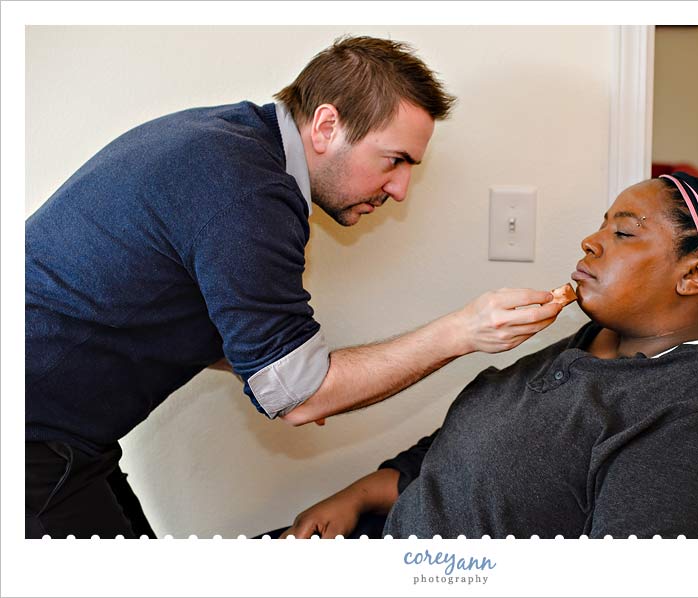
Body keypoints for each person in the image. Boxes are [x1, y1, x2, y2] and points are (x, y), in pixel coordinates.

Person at [25, 36, 563, 539]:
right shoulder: (250, 192)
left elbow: (165, 307)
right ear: (326, 126)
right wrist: (463, 331)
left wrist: (280, 369)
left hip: (62, 432)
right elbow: (299, 398)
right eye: (394, 160)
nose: (400, 189)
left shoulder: (228, 144)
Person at [274, 173, 698, 539]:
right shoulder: (596, 340)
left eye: (623, 232)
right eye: (602, 225)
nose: (590, 241)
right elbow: (464, 456)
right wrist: (359, 496)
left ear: (694, 275)